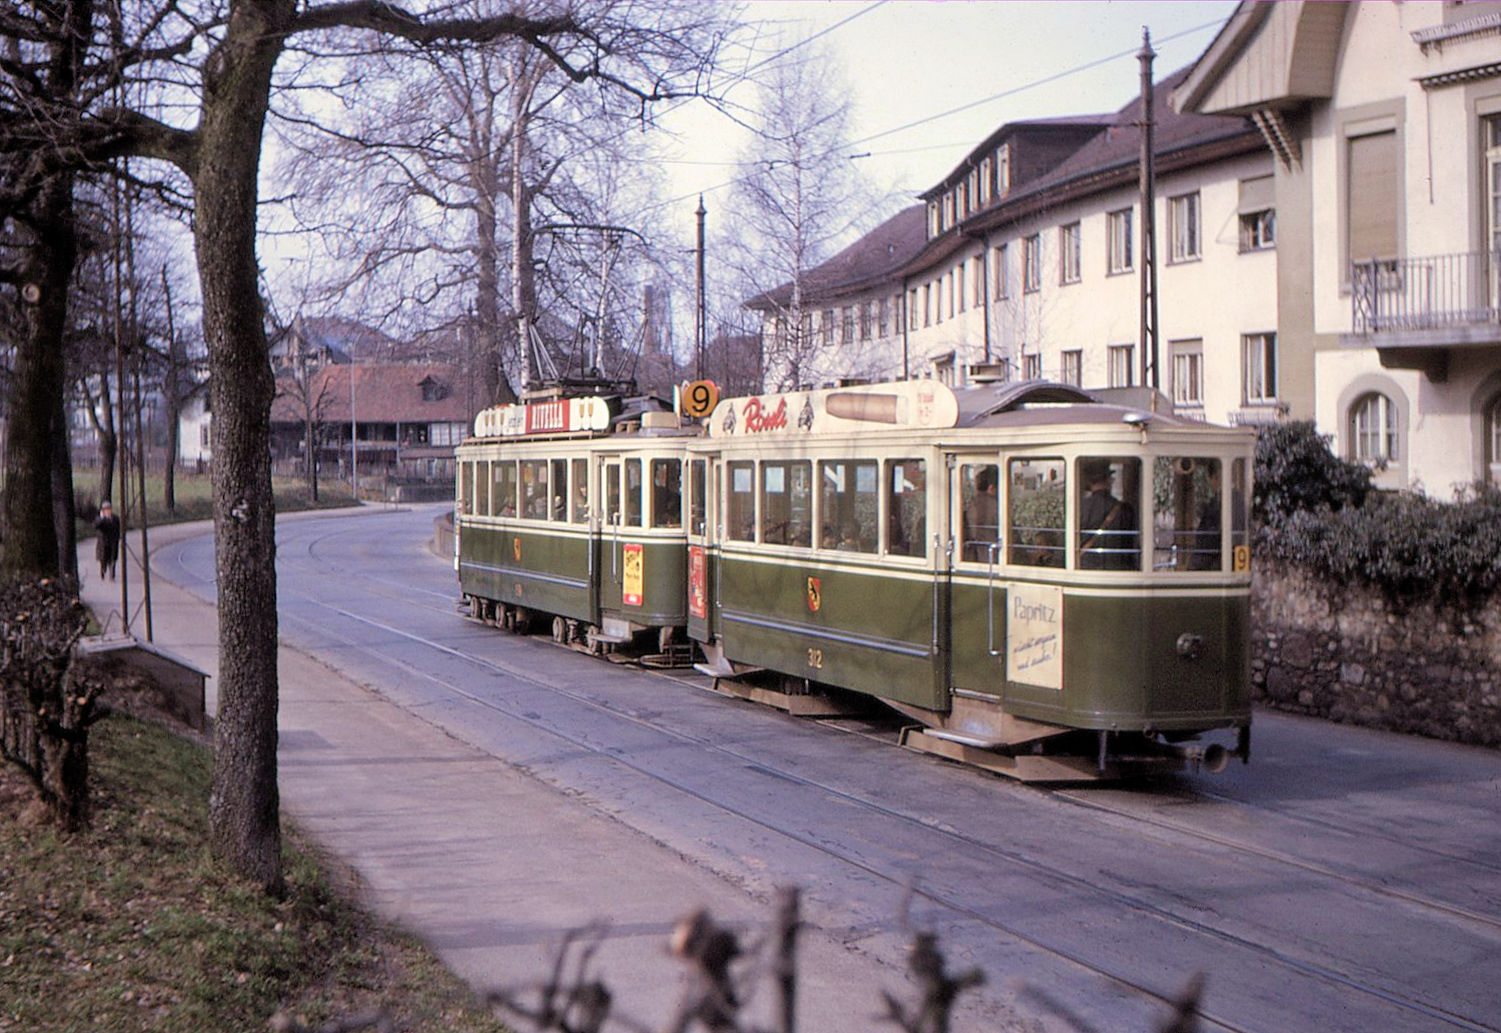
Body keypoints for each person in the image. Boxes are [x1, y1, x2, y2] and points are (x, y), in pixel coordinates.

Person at [1078, 459, 1137, 570]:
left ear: (1089, 483)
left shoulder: (1079, 508)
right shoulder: (1125, 510)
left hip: (1085, 569)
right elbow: (1131, 543)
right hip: (1119, 570)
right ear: (1109, 480)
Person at [1189, 464, 1222, 570]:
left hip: (1213, 555)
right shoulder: (1214, 502)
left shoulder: (1219, 504)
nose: (1211, 485)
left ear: (1216, 478)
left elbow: (1212, 534)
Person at [964, 465, 999, 561]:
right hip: (992, 554)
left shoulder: (972, 504)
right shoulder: (996, 505)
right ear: (992, 488)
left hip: (978, 554)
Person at [94, 500, 121, 581]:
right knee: (103, 559)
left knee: (113, 559)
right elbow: (96, 525)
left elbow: (118, 529)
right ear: (103, 511)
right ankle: (103, 569)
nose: (108, 511)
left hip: (113, 542)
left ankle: (112, 575)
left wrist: (118, 538)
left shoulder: (115, 518)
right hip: (103, 543)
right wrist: (102, 518)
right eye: (105, 509)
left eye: (109, 509)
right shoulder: (100, 519)